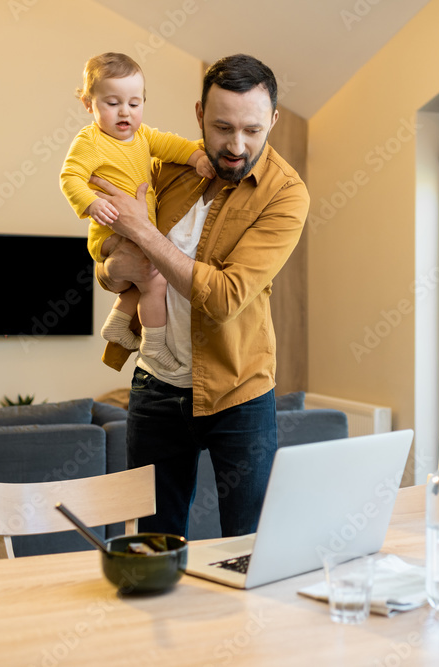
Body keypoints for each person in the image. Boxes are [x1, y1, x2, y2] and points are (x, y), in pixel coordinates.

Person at [91, 54, 309, 538]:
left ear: (272, 119)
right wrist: (112, 266)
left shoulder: (286, 194)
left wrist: (143, 234)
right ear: (198, 116)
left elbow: (226, 296)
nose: (236, 146)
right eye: (222, 127)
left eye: (253, 130)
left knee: (249, 546)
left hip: (240, 391)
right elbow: (109, 263)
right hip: (155, 385)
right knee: (151, 543)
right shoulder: (168, 167)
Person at [60, 52, 215, 371]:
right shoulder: (90, 142)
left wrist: (196, 158)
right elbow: (70, 176)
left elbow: (172, 145)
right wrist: (92, 203)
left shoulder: (142, 136)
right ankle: (154, 345)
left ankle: (117, 325)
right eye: (112, 103)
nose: (124, 112)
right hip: (110, 233)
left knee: (143, 280)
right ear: (89, 104)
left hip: (132, 231)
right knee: (157, 281)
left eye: (134, 103)